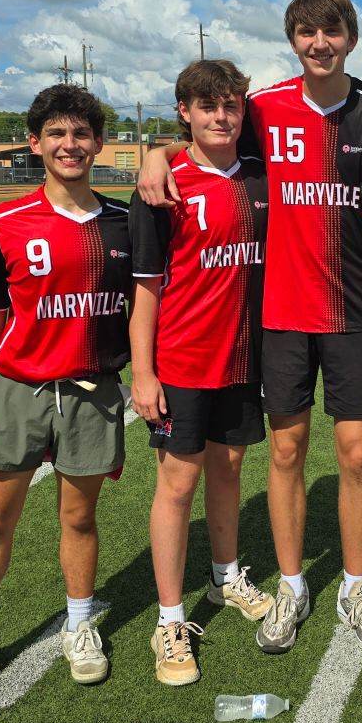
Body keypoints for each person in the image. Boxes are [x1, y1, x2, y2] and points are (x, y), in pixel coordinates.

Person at [139, 0, 362, 656]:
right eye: (306, 31)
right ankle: (293, 583)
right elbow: (209, 141)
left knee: (354, 455)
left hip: (351, 312)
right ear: (292, 39)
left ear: (351, 36)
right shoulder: (264, 107)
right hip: (280, 318)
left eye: (332, 30)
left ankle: (353, 584)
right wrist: (156, 154)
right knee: (286, 452)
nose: (320, 42)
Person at [0, 85, 130, 712]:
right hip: (18, 388)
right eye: (56, 134)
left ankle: (79, 624)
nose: (69, 145)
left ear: (99, 143)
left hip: (92, 392)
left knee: (79, 517)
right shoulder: (4, 221)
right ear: (35, 143)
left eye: (81, 134)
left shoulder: (126, 223)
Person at [129, 60, 273, 687]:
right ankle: (169, 618)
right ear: (183, 110)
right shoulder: (163, 186)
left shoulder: (264, 177)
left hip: (243, 360)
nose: (222, 117)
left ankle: (224, 578)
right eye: (207, 106)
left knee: (231, 469)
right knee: (176, 485)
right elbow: (146, 291)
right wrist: (143, 372)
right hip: (182, 361)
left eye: (232, 106)